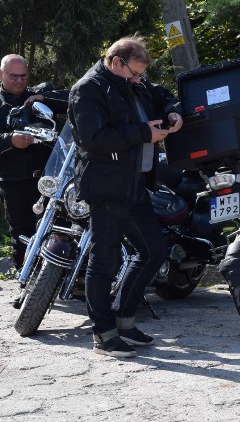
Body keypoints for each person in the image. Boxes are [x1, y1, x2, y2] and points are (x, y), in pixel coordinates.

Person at [69, 35, 184, 358]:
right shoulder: (88, 89)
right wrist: (144, 133)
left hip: (134, 186)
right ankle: (103, 334)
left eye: (140, 75)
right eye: (134, 73)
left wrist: (173, 112)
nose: (138, 80)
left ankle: (124, 320)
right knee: (104, 262)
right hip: (106, 187)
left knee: (153, 252)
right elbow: (94, 138)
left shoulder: (132, 82)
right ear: (116, 62)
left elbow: (161, 95)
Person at [0, 54, 69, 271]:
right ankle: (25, 283)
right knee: (21, 233)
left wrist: (44, 98)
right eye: (13, 75)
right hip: (12, 180)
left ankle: (58, 281)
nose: (18, 80)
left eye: (23, 76)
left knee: (59, 230)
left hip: (49, 178)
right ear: (0, 74)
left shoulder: (39, 95)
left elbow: (76, 99)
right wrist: (10, 139)